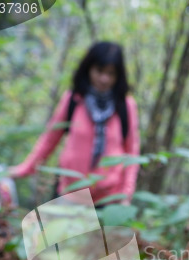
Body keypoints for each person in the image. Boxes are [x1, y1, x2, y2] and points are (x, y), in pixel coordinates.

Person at [9, 41, 140, 206]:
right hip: (70, 194)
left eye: (111, 73)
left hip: (109, 199)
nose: (104, 78)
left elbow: (132, 153)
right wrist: (25, 169)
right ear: (89, 69)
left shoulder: (125, 106)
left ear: (118, 76)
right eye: (99, 71)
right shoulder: (74, 99)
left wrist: (126, 195)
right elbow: (50, 138)